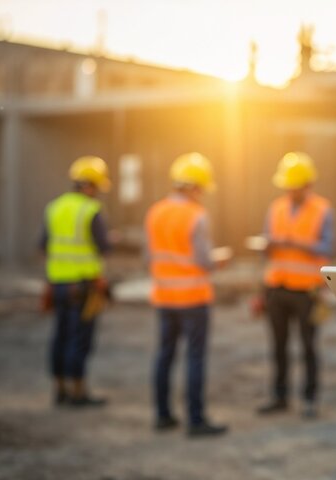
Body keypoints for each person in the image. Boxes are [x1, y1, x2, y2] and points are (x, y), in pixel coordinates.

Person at [145, 152, 228, 437]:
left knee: (164, 355)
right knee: (194, 358)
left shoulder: (155, 211)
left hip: (164, 296)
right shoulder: (196, 216)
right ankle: (195, 420)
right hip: (193, 299)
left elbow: (149, 256)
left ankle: (162, 415)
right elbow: (204, 260)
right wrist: (220, 260)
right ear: (195, 186)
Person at [257, 151, 335, 419]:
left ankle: (310, 398)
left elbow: (327, 247)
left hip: (307, 290)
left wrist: (296, 244)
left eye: (295, 187)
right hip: (277, 287)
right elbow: (266, 247)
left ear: (307, 185)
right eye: (287, 187)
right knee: (278, 345)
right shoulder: (276, 207)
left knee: (308, 345)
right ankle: (279, 395)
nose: (290, 192)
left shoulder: (323, 210)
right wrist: (268, 245)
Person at [41, 155, 112, 408]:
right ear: (90, 185)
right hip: (82, 286)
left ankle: (59, 388)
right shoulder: (90, 211)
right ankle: (77, 391)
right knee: (79, 338)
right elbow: (103, 247)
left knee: (60, 336)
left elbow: (44, 246)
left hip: (57, 283)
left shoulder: (54, 208)